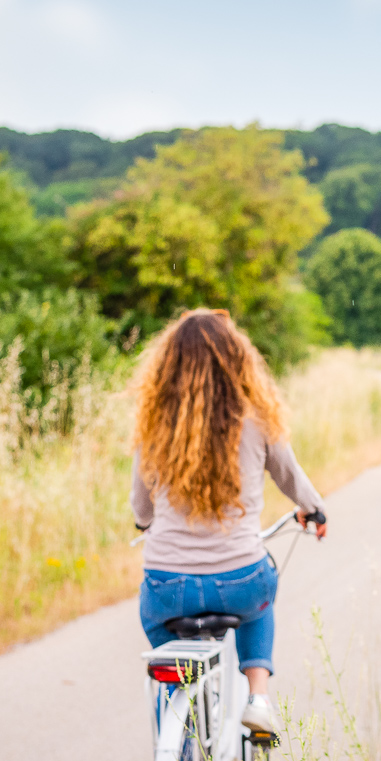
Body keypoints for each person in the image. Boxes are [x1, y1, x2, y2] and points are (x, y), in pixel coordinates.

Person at [129, 309, 327, 736]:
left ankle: (177, 736)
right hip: (241, 581)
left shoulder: (155, 426)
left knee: (166, 648)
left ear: (169, 364)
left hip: (168, 587)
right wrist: (313, 508)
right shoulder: (257, 420)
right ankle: (258, 699)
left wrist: (145, 524)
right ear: (237, 358)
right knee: (262, 601)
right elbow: (289, 476)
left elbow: (141, 504)